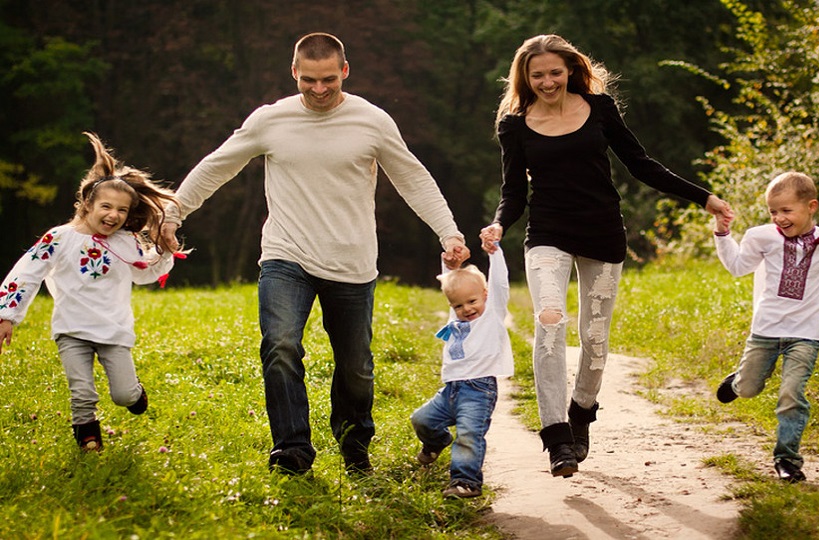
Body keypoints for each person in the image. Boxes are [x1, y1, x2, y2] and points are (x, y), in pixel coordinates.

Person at [159, 32, 469, 476]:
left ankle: (354, 445)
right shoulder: (271, 120)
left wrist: (448, 233)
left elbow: (412, 178)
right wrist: (174, 212)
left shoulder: (372, 121)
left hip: (352, 261)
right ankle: (292, 450)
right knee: (281, 345)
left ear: (345, 71)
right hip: (286, 255)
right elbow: (217, 165)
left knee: (356, 367)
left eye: (328, 80)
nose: (319, 89)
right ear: (294, 72)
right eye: (309, 80)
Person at [479, 34, 733, 478]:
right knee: (549, 321)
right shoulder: (514, 125)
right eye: (537, 75)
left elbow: (641, 163)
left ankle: (581, 411)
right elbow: (514, 191)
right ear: (525, 78)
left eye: (555, 72)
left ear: (570, 70)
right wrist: (500, 223)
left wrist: (704, 198)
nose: (547, 82)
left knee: (595, 336)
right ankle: (557, 437)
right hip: (548, 233)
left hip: (602, 231)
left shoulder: (599, 108)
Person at [0, 132, 183, 451]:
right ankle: (88, 437)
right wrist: (7, 315)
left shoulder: (125, 243)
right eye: (106, 206)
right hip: (71, 330)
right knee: (81, 391)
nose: (114, 215)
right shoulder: (59, 238)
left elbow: (145, 273)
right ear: (87, 204)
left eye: (122, 211)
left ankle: (134, 392)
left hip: (113, 330)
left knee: (123, 395)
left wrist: (164, 251)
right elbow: (27, 272)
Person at [713, 171, 819, 482]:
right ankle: (738, 382)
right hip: (766, 329)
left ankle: (787, 460)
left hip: (806, 333)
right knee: (750, 388)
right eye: (773, 211)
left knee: (791, 394)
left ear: (811, 206)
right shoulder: (761, 237)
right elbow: (738, 267)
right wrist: (723, 234)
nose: (779, 218)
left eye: (786, 210)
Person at [410, 243, 513, 499]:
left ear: (485, 295)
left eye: (472, 301)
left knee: (468, 436)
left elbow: (500, 284)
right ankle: (437, 442)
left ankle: (466, 482)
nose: (466, 309)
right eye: (458, 306)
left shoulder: (491, 314)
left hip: (479, 390)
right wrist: (450, 265)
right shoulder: (457, 318)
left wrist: (495, 253)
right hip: (451, 389)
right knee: (421, 420)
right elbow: (451, 286)